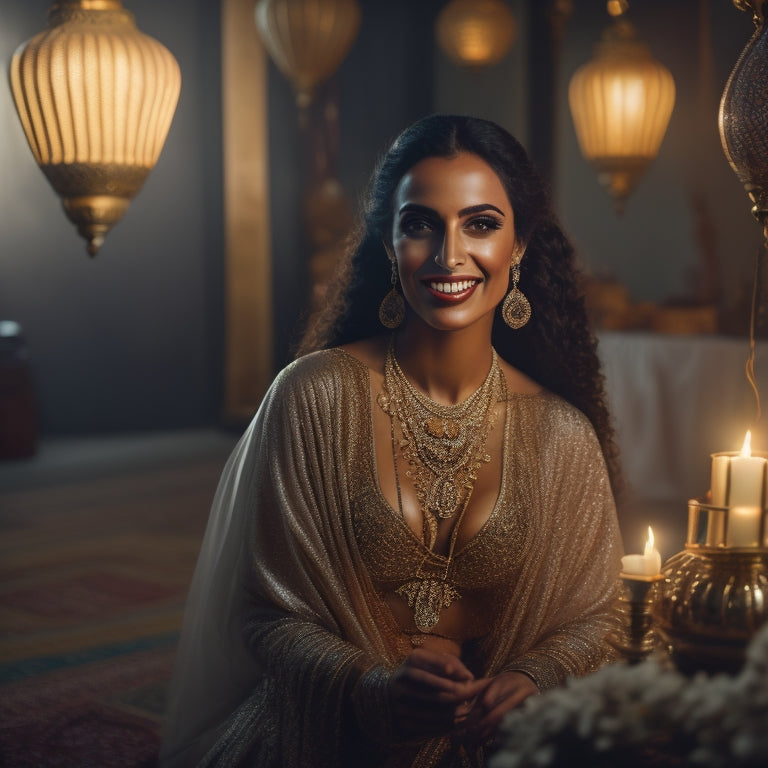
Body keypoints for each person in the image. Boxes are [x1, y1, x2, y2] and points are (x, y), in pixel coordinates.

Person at [160, 114, 623, 768]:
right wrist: (368, 686)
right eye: (421, 224)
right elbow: (266, 617)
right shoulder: (314, 397)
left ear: (519, 246)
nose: (448, 255)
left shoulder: (561, 434)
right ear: (387, 242)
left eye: (481, 224)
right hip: (324, 737)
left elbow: (595, 619)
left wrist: (532, 679)